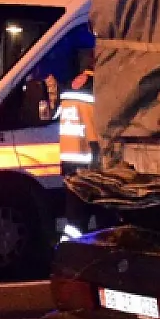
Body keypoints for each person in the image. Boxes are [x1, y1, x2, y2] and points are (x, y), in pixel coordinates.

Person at [55, 49, 99, 242]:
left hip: (68, 157)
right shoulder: (97, 88)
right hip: (88, 158)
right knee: (100, 210)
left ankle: (70, 246)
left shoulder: (69, 87)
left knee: (74, 214)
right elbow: (98, 127)